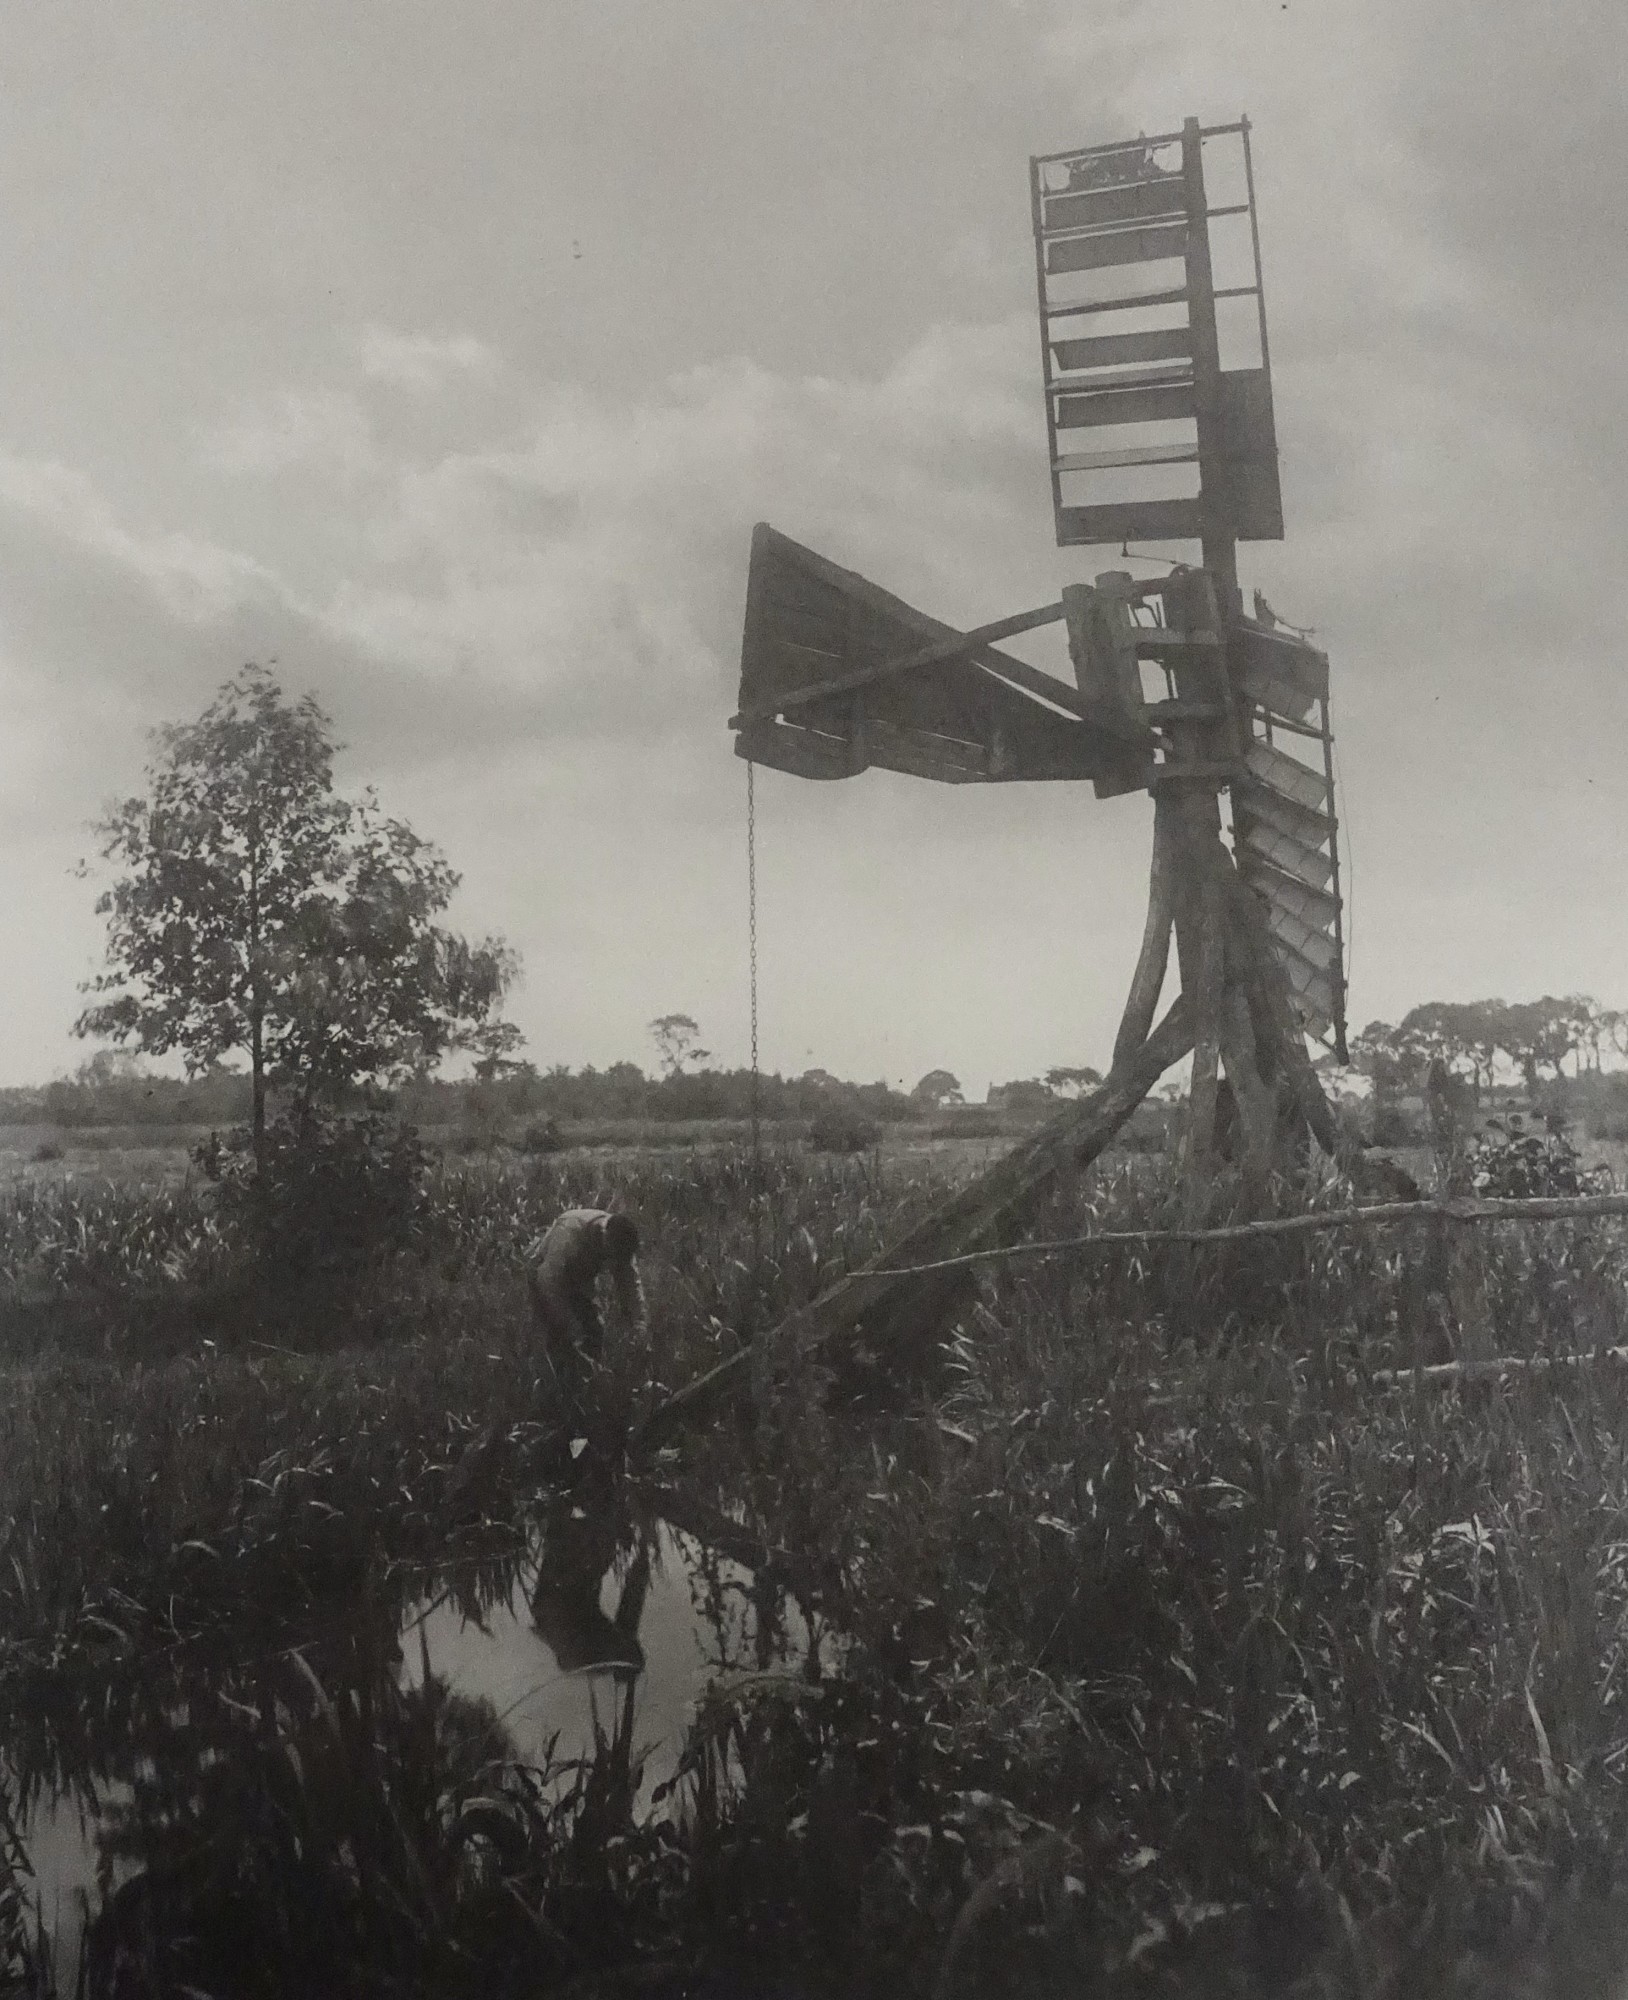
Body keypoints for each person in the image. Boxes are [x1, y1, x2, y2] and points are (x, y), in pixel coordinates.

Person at [527, 1207, 645, 1405]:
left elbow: (631, 1286)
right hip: (544, 1279)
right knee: (556, 1345)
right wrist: (568, 1324)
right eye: (612, 1256)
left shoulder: (620, 1240)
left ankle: (589, 1394)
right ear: (604, 1238)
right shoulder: (570, 1233)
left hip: (579, 1281)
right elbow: (547, 1280)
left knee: (594, 1333)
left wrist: (639, 1327)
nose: (614, 1264)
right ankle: (551, 1401)